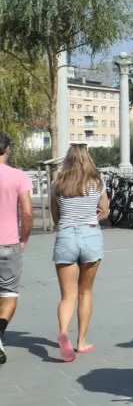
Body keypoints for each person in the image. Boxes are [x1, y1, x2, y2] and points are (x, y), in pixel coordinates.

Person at [50, 145, 110, 362]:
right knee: (85, 292)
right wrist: (94, 214)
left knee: (68, 296)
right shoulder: (97, 182)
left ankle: (63, 332)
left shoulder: (57, 184)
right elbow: (105, 212)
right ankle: (81, 342)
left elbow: (56, 217)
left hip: (66, 236)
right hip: (90, 236)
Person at [0, 131, 33, 366]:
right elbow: (27, 213)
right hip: (8, 243)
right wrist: (23, 239)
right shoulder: (18, 176)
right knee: (9, 294)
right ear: (7, 150)